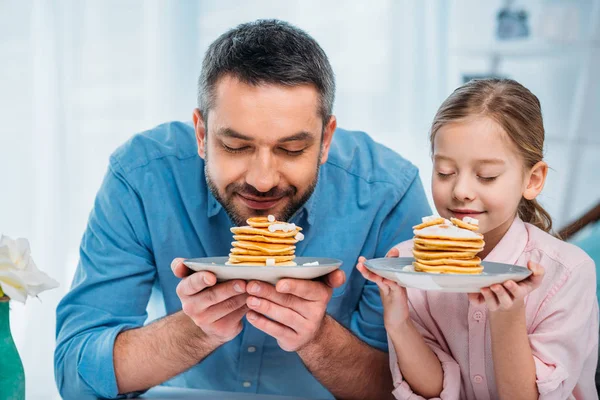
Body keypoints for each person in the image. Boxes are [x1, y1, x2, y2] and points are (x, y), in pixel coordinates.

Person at [54, 19, 431, 400]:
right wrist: (195, 331)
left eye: (292, 149)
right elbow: (75, 373)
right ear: (201, 134)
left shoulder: (388, 194)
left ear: (326, 139)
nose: (263, 180)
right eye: (235, 146)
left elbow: (415, 388)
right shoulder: (140, 176)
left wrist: (318, 340)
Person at [357, 78, 599, 399]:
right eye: (445, 171)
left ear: (533, 179)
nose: (461, 191)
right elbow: (433, 390)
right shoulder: (410, 266)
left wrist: (507, 314)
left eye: (486, 176)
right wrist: (399, 323)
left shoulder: (567, 273)